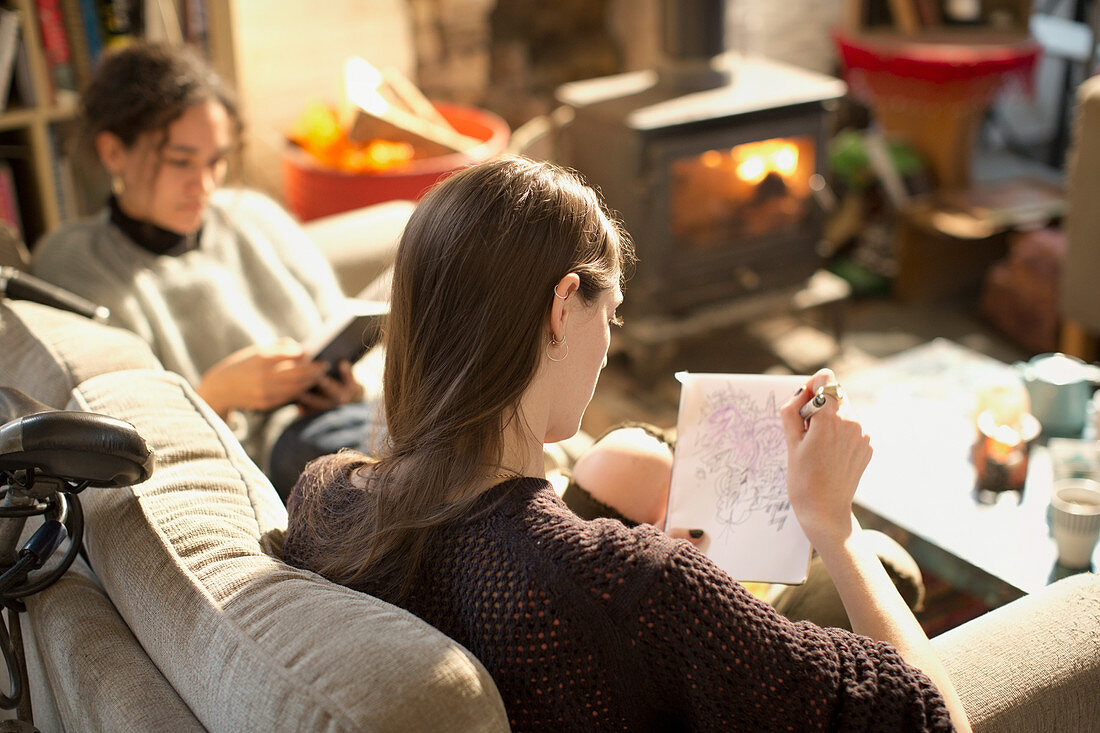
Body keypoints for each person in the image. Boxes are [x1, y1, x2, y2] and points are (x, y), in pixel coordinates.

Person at [282, 156, 971, 731]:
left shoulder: (327, 496)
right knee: (877, 562)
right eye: (608, 317)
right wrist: (833, 522)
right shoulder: (633, 584)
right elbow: (931, 717)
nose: (608, 348)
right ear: (561, 307)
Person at [29, 42, 397, 497]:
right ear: (113, 152)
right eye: (180, 161)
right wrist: (215, 396)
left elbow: (338, 322)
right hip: (271, 461)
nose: (202, 185)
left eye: (216, 161)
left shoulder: (255, 217)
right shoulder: (75, 263)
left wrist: (344, 388)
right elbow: (111, 437)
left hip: (346, 424)